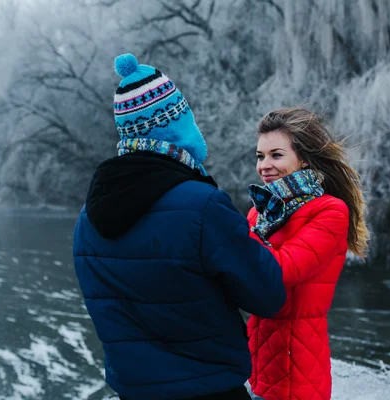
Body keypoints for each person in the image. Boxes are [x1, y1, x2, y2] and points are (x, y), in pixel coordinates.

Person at [72, 53, 286, 400]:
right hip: (210, 390)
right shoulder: (202, 206)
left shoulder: (87, 219)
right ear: (176, 124)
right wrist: (261, 240)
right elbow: (268, 295)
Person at [245, 107, 370, 400]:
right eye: (260, 156)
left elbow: (280, 271)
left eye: (276, 155)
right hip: (254, 364)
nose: (265, 165)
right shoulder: (259, 213)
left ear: (303, 159)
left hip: (296, 368)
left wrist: (229, 237)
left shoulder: (329, 211)